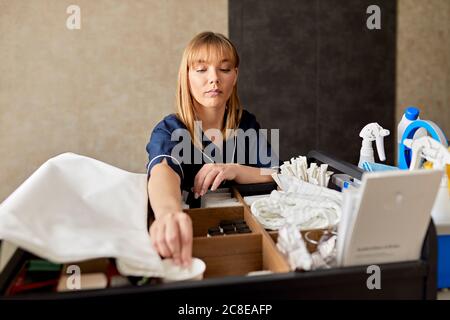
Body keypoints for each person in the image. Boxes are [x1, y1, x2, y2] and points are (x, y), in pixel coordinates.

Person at [146, 31, 277, 267]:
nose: (214, 79)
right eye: (201, 69)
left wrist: (234, 169)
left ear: (235, 76)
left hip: (245, 238)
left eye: (224, 69)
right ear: (186, 76)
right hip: (192, 241)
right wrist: (168, 213)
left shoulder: (245, 124)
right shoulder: (169, 130)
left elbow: (276, 174)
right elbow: (162, 170)